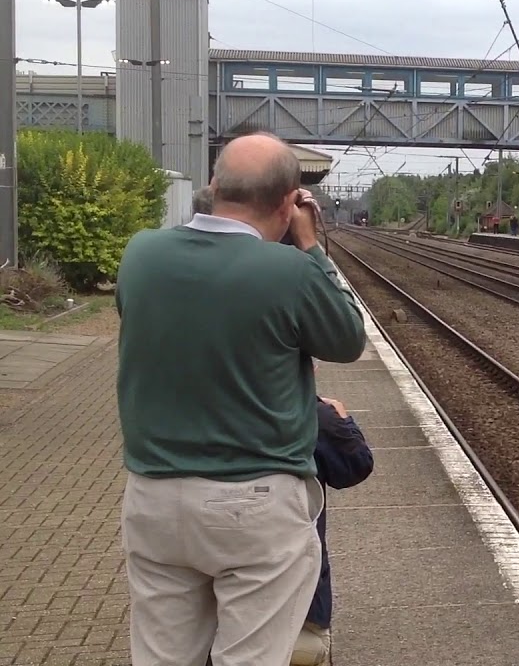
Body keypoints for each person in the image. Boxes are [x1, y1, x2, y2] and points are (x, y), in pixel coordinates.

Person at [116, 131, 367, 666]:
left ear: (213, 186)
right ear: (287, 203)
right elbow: (347, 339)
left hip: (153, 497)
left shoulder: (141, 255)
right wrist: (310, 245)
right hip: (253, 504)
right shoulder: (292, 272)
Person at [291, 394, 375, 666]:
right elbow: (354, 465)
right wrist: (342, 421)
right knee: (305, 647)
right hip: (296, 607)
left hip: (190, 586)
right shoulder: (309, 413)